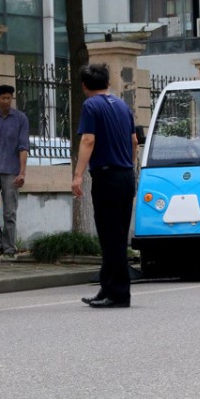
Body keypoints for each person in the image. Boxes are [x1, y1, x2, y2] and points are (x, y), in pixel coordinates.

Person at [72, 63, 137, 309]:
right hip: (125, 175)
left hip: (107, 176)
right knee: (116, 234)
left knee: (110, 237)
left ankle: (119, 293)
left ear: (84, 85)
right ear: (107, 82)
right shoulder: (122, 105)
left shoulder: (91, 105)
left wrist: (78, 175)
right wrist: (128, 168)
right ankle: (106, 287)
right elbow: (133, 142)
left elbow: (88, 139)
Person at [0, 84, 29, 260]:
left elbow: (23, 147)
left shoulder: (21, 119)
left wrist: (23, 172)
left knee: (10, 211)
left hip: (12, 170)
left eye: (9, 98)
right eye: (3, 98)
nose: (6, 101)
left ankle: (9, 248)